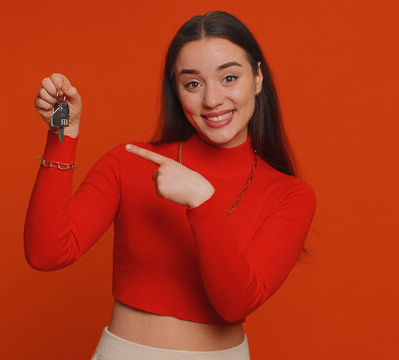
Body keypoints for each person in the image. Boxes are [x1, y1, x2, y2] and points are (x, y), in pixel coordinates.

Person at [24, 10, 316, 360]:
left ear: (256, 78)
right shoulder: (130, 162)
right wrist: (62, 130)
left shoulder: (290, 195)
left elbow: (234, 304)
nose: (211, 100)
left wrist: (201, 200)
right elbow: (47, 253)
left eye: (229, 78)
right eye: (193, 83)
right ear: (176, 90)